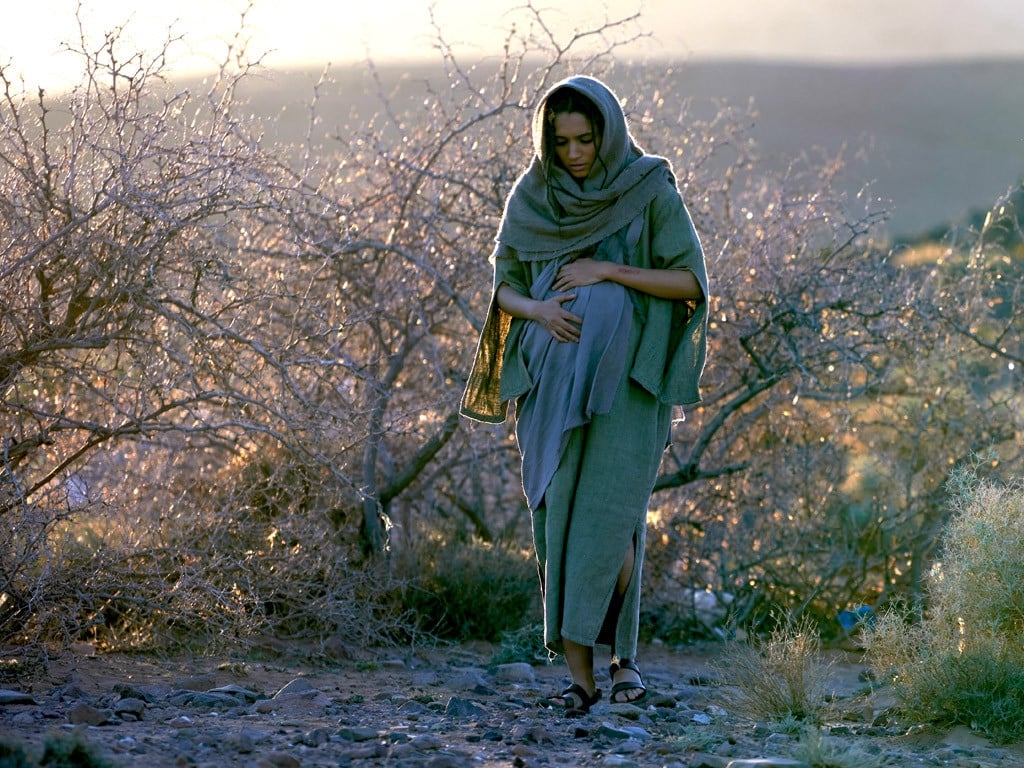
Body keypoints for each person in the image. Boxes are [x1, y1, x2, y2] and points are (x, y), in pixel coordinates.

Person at [460, 75, 709, 716]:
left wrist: (607, 271)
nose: (574, 153)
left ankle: (624, 659)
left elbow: (688, 280)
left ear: (609, 131)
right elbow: (503, 292)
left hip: (627, 386)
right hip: (549, 384)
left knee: (612, 521)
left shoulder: (647, 186)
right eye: (561, 140)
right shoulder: (533, 195)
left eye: (586, 138)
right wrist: (541, 310)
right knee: (557, 520)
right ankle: (581, 678)